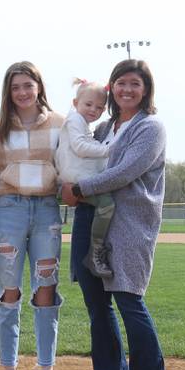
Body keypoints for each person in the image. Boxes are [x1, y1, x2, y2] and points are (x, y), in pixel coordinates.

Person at [61, 59, 168, 370]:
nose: (127, 89)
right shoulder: (104, 126)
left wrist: (79, 187)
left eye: (134, 84)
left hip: (129, 224)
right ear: (111, 88)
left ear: (145, 89)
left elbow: (125, 172)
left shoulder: (150, 128)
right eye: (120, 83)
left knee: (128, 300)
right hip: (90, 219)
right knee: (97, 304)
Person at [0, 61, 65, 370]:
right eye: (15, 87)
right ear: (8, 92)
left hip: (46, 211)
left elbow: (72, 164)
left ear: (39, 86)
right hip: (9, 210)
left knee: (46, 290)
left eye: (28, 85)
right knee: (9, 292)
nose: (22, 92)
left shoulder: (60, 124)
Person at [55, 79, 115, 278]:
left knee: (106, 203)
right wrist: (109, 150)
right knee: (106, 204)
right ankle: (96, 250)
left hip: (79, 174)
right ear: (75, 103)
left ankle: (96, 248)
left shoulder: (84, 124)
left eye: (99, 107)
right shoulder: (74, 120)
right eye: (88, 104)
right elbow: (80, 147)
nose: (93, 110)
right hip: (75, 176)